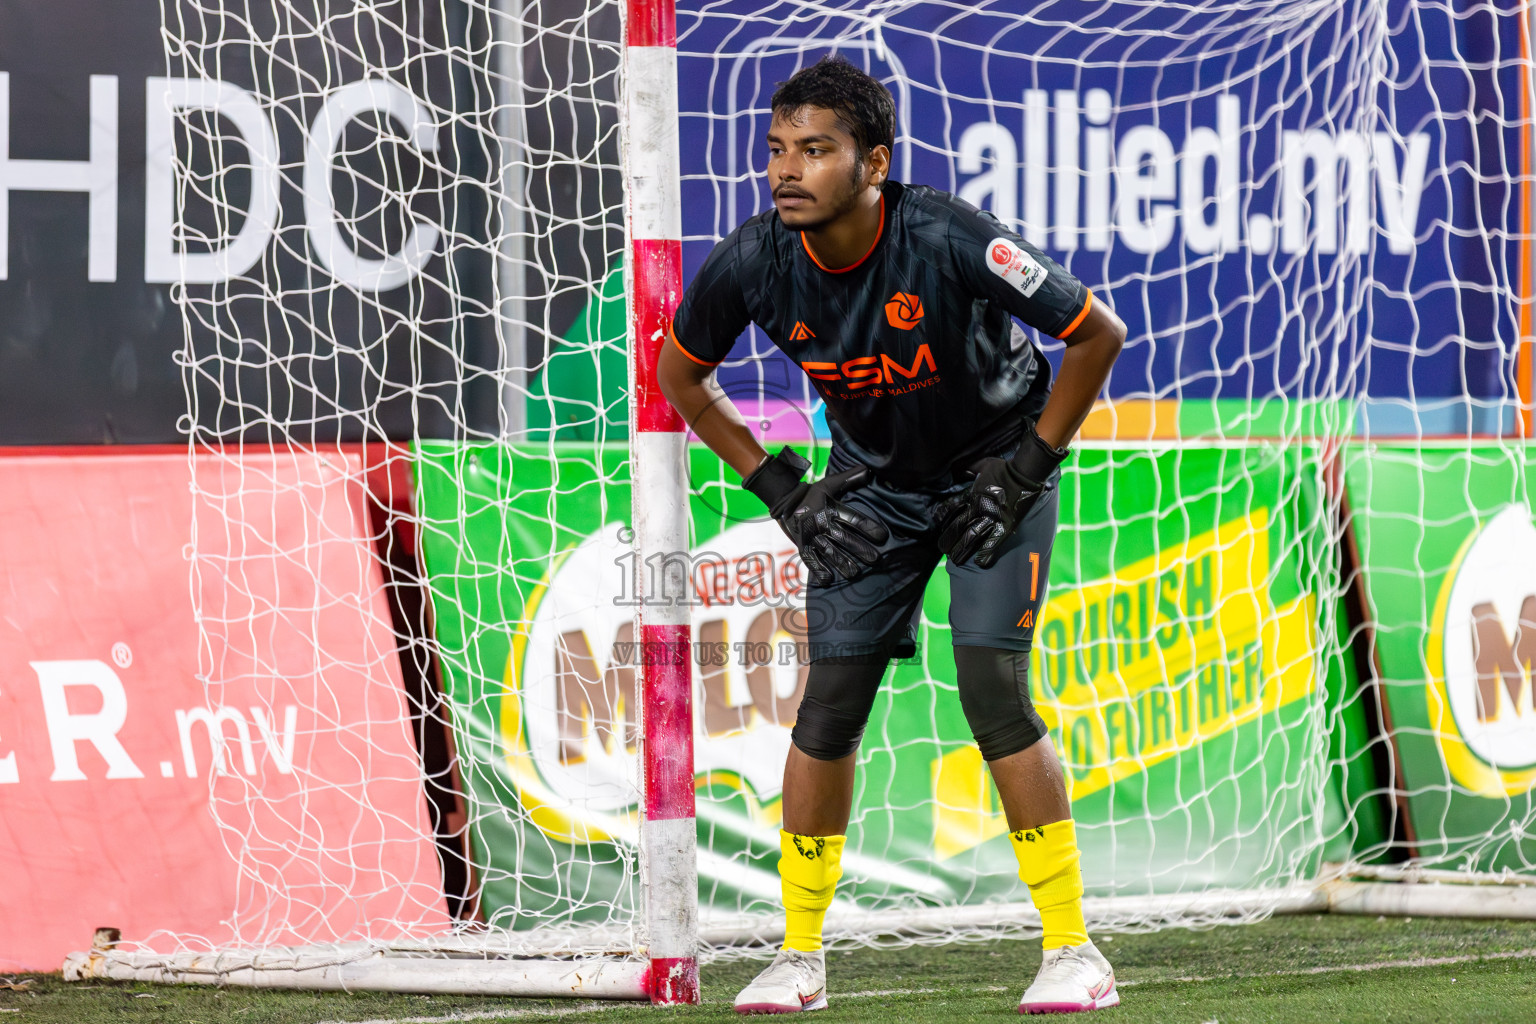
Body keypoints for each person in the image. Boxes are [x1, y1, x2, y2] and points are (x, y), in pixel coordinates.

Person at [657, 55, 1127, 1015]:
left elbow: (1095, 335)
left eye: (816, 151)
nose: (788, 171)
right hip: (869, 488)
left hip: (996, 470)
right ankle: (797, 957)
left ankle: (1074, 951)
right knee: (827, 707)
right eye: (778, 151)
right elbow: (679, 376)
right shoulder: (754, 260)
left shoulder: (949, 235)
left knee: (993, 687)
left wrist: (1028, 469)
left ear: (874, 164)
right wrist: (781, 489)